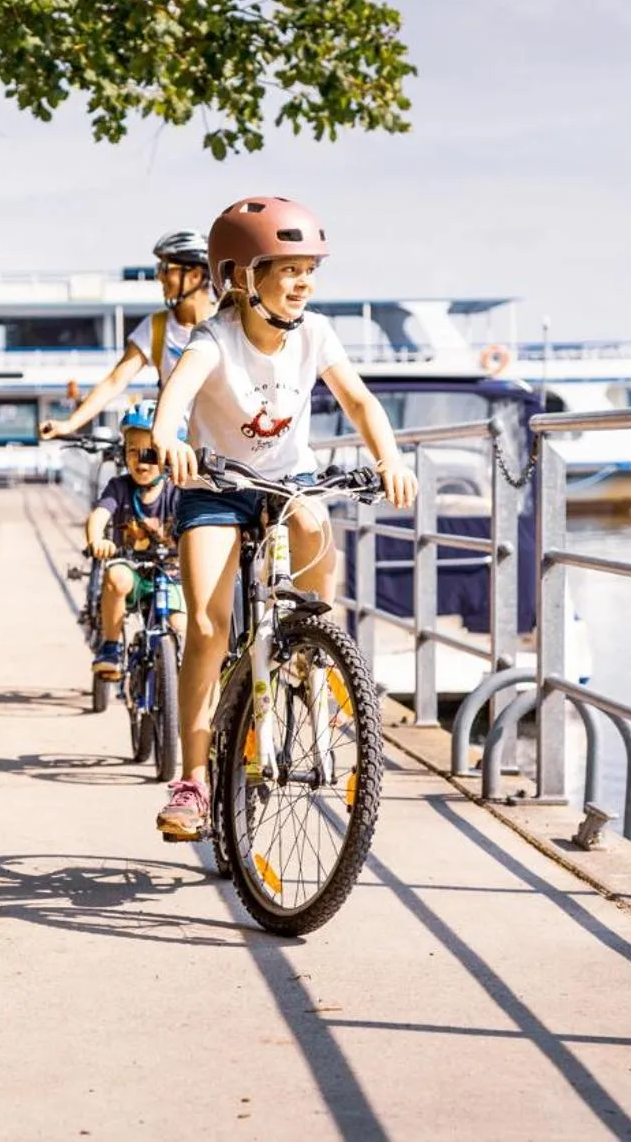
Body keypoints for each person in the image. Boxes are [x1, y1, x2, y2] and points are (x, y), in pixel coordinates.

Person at [148, 196, 416, 840]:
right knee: (210, 627)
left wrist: (391, 457)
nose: (303, 282)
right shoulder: (216, 339)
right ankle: (190, 780)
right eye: (286, 267)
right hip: (214, 485)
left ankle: (311, 652)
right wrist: (168, 438)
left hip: (285, 481)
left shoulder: (316, 333)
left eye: (309, 269)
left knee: (313, 521)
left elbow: (359, 400)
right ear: (241, 276)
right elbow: (175, 398)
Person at [39, 229, 213, 439]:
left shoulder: (227, 323)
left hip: (227, 449)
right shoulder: (157, 327)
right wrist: (69, 424)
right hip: (177, 446)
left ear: (195, 275)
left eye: (166, 268)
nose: (159, 276)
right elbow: (115, 381)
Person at [82, 405, 186, 682]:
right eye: (132, 451)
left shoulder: (178, 492)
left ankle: (170, 696)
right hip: (132, 571)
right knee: (115, 577)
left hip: (172, 575)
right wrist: (97, 539)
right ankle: (111, 648)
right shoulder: (119, 487)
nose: (141, 462)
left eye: (150, 453)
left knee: (181, 626)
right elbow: (99, 516)